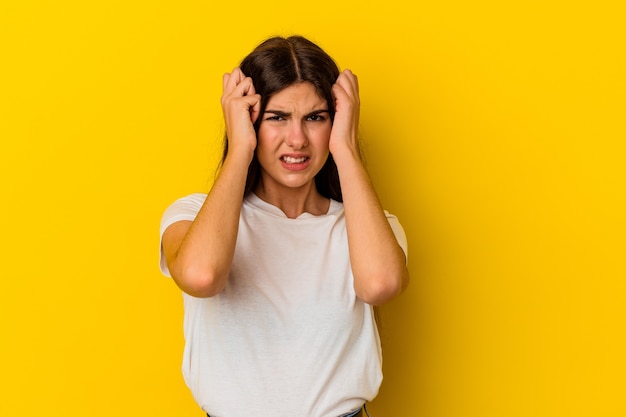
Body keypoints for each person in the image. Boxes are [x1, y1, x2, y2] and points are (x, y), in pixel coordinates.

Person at [159, 35, 409, 417]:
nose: (297, 140)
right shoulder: (193, 216)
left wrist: (345, 148)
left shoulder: (367, 224)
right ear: (249, 119)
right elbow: (201, 275)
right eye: (277, 117)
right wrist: (240, 148)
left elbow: (380, 285)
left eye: (315, 118)